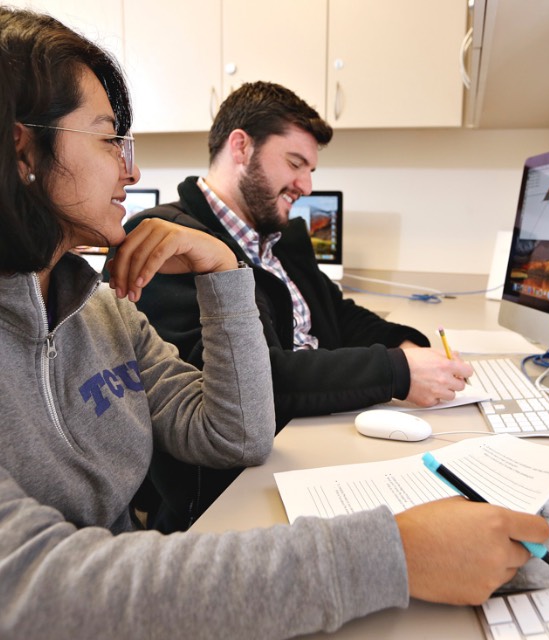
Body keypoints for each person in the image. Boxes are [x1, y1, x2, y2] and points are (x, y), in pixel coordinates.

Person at [0, 7, 549, 639]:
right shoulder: (133, 279)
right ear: (23, 150)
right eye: (108, 140)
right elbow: (31, 587)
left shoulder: (103, 310)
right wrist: (392, 552)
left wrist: (223, 272)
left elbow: (236, 437)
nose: (133, 171)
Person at [113, 81, 475, 531]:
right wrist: (396, 372)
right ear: (241, 146)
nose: (305, 184)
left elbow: (337, 314)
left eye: (311, 170)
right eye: (295, 163)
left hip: (314, 432)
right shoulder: (171, 242)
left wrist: (405, 344)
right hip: (236, 487)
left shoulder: (275, 238)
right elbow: (250, 383)